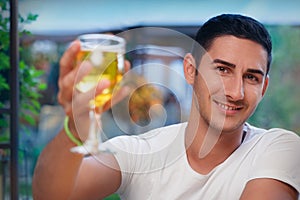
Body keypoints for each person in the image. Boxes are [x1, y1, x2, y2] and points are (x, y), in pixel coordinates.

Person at [32, 14, 300, 200]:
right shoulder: (143, 152)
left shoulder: (278, 148)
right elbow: (51, 194)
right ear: (190, 70)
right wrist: (75, 124)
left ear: (263, 88)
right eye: (222, 70)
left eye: (251, 77)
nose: (235, 92)